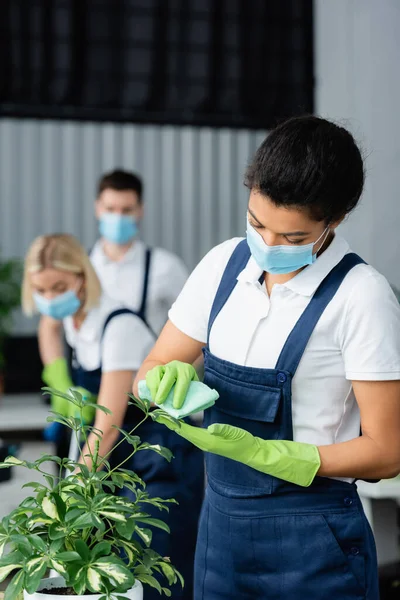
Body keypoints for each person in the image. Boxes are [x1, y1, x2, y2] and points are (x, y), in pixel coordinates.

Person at [134, 116, 400, 599]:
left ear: (335, 219)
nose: (268, 246)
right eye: (257, 224)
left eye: (293, 238)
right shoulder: (222, 265)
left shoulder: (363, 296)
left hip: (315, 543)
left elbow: (387, 452)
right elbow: (148, 370)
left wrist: (278, 456)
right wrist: (160, 379)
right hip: (220, 533)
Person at [22, 234, 204, 600]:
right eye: (42, 289)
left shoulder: (116, 325)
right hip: (119, 464)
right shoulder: (76, 319)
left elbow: (106, 430)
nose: (51, 298)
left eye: (59, 287)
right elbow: (48, 327)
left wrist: (69, 495)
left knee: (155, 572)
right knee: (114, 573)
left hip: (157, 464)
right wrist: (57, 373)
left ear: (82, 277)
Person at [91, 169, 188, 336]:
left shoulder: (166, 267)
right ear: (98, 208)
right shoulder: (79, 266)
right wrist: (55, 362)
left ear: (140, 210)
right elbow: (51, 324)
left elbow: (193, 323)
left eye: (127, 210)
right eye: (110, 209)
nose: (118, 217)